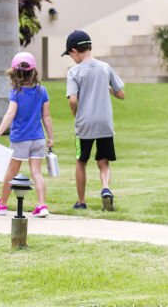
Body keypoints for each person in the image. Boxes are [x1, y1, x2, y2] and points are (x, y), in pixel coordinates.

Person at [62, 30, 125, 211]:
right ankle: (106, 189)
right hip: (105, 123)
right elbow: (121, 94)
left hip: (85, 123)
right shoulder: (105, 67)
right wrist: (107, 88)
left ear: (74, 51)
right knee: (103, 161)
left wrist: (76, 115)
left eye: (70, 55)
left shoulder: (74, 72)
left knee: (81, 161)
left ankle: (81, 202)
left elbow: (73, 99)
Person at [0, 52, 54, 217]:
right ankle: (42, 205)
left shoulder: (16, 93)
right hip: (38, 138)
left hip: (20, 139)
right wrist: (50, 137)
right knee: (36, 172)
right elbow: (46, 115)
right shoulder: (41, 91)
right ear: (33, 72)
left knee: (12, 171)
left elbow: (10, 114)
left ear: (15, 73)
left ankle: (2, 204)